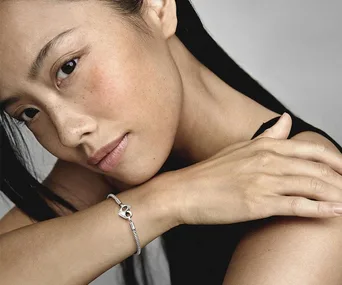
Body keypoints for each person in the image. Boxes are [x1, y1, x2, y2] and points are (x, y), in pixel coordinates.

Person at [0, 0, 342, 284]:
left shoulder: (307, 199)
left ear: (158, 8)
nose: (68, 132)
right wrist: (168, 200)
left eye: (67, 67)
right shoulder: (116, 157)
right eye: (28, 112)